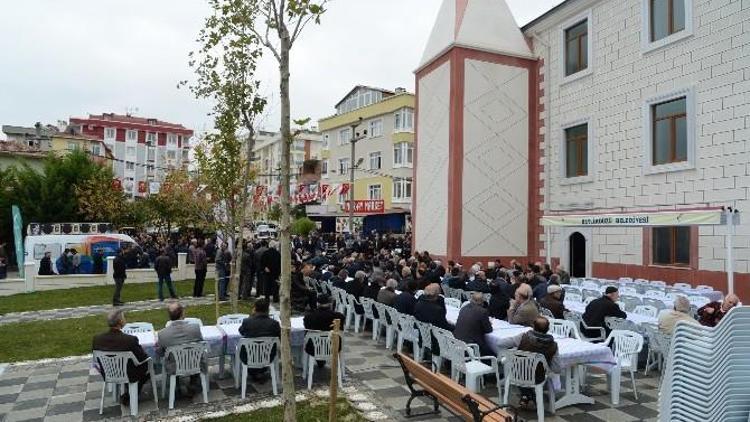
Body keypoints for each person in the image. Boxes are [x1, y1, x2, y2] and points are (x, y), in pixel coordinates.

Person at [92, 310, 151, 405]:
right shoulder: (130, 340)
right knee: (149, 367)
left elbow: (96, 359)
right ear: (120, 322)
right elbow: (142, 358)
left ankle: (129, 392)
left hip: (108, 372)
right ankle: (132, 394)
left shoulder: (97, 339)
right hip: (128, 374)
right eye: (123, 318)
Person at [507, 317, 560, 408]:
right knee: (545, 374)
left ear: (533, 327)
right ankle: (531, 396)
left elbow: (500, 343)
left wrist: (516, 348)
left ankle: (527, 396)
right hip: (538, 377)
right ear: (548, 329)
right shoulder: (553, 345)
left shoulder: (523, 337)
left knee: (522, 370)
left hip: (517, 373)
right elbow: (556, 369)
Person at [157, 303, 206, 396]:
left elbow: (160, 352)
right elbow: (201, 344)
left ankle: (176, 386)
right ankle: (193, 384)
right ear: (182, 314)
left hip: (174, 366)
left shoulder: (162, 334)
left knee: (169, 359)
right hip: (194, 363)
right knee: (195, 355)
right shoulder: (195, 328)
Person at [239, 298, 281, 381]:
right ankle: (259, 371)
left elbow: (241, 332)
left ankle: (255, 372)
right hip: (268, 356)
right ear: (268, 310)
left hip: (248, 356)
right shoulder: (274, 324)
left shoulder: (247, 322)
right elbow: (278, 337)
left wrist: (251, 316)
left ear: (254, 309)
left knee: (245, 347)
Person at [303, 294, 346, 362]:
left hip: (313, 348)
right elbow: (341, 329)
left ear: (317, 303)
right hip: (334, 347)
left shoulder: (308, 317)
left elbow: (307, 330)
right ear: (330, 304)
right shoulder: (339, 317)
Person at [453, 292, 494, 356]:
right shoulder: (482, 311)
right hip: (471, 345)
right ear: (482, 302)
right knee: (493, 354)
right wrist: (487, 323)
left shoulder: (463, 308)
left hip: (457, 342)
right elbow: (489, 330)